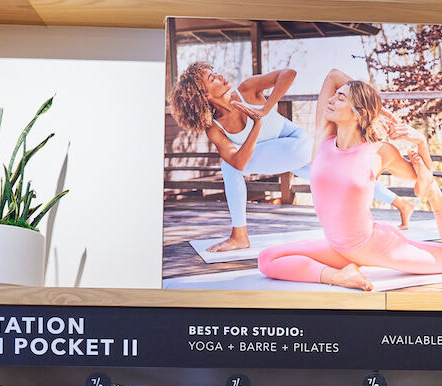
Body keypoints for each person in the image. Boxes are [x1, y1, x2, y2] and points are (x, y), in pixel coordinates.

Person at [257, 69, 442, 291]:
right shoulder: (323, 138)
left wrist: (421, 142)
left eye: (341, 97)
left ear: (357, 113)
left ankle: (340, 274)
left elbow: (423, 183)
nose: (331, 99)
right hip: (338, 249)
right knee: (267, 259)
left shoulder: (379, 152)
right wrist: (377, 108)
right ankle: (340, 276)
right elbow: (332, 75)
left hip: (377, 246)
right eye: (335, 95)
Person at [170, 63, 414, 253]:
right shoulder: (214, 127)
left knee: (229, 166)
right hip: (282, 153)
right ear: (202, 94)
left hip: (298, 145)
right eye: (212, 78)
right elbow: (240, 162)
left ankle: (239, 235)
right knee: (338, 175)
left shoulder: (246, 89)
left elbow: (288, 73)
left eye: (215, 72)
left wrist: (265, 110)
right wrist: (257, 124)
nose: (221, 76)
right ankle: (402, 203)